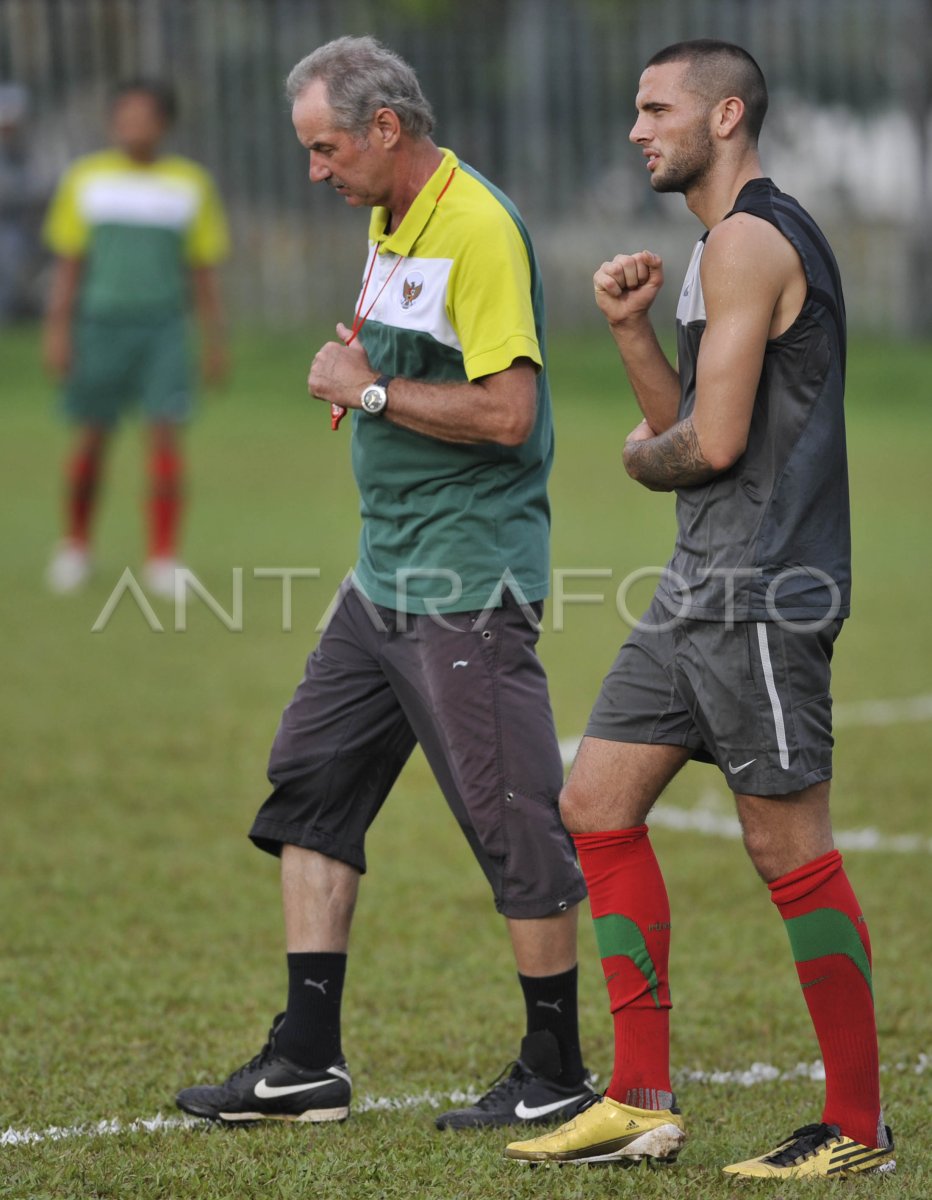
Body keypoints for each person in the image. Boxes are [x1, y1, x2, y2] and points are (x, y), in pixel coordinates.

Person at [175, 35, 593, 1131]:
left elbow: (509, 415)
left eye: (325, 148)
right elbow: (401, 365)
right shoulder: (390, 216)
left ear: (386, 128)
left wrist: (366, 394)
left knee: (515, 820)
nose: (314, 169)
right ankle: (306, 1061)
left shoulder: (477, 227)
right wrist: (370, 380)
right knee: (312, 780)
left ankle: (554, 1072)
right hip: (383, 576)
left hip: (464, 577)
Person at [505, 40, 895, 1179]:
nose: (637, 129)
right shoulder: (714, 247)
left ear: (725, 116)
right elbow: (696, 417)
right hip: (699, 587)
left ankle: (857, 1127)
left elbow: (702, 445)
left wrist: (638, 457)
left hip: (764, 591)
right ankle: (638, 1099)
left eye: (656, 108)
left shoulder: (749, 241)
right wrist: (632, 333)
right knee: (595, 802)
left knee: (787, 846)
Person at [42, 79, 229, 597]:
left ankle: (163, 557)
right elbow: (69, 264)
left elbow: (203, 270)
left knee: (165, 435)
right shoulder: (86, 179)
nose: (133, 127)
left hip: (163, 329)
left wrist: (215, 340)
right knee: (91, 435)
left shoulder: (190, 184)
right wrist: (58, 330)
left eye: (143, 117)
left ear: (164, 123)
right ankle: (75, 546)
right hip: (100, 326)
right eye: (124, 117)